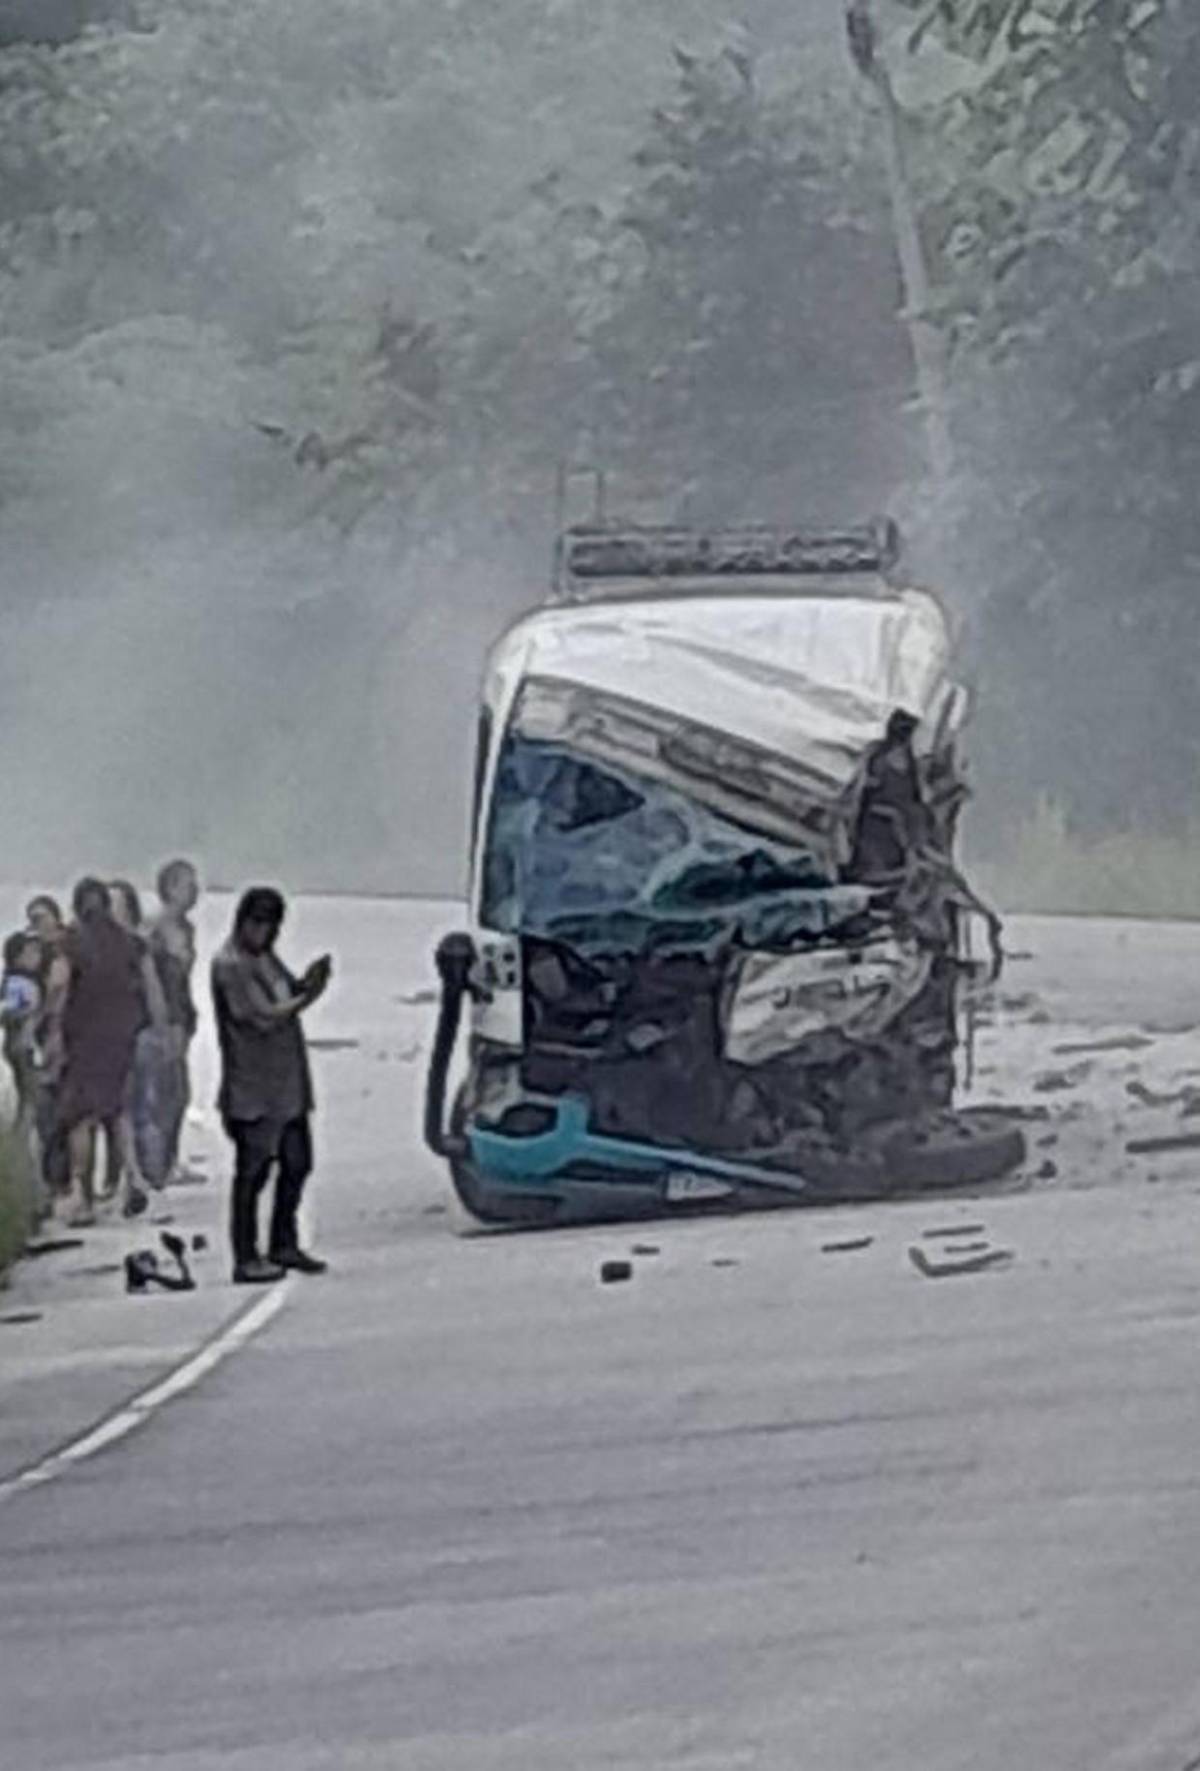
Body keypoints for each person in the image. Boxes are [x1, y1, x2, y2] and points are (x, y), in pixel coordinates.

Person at [211, 888, 332, 1283]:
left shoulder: (265, 960)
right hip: (252, 1087)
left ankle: (284, 1241)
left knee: (298, 1162)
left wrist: (306, 984)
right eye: (255, 924)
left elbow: (283, 994)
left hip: (286, 1083)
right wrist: (307, 999)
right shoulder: (230, 965)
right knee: (253, 1172)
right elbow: (260, 1016)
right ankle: (245, 1255)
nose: (261, 932)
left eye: (268, 926)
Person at [57, 879, 149, 1229]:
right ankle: (133, 1179)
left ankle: (84, 1198)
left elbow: (60, 989)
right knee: (118, 1112)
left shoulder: (73, 942)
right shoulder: (128, 942)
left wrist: (51, 1034)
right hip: (120, 1039)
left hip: (82, 1040)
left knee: (80, 1119)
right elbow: (145, 987)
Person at [108, 880, 172, 1218]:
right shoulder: (106, 946)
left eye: (117, 905)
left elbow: (153, 990)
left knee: (143, 1108)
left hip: (141, 1034)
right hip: (112, 1038)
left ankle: (148, 1178)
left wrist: (162, 1032)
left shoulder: (138, 945)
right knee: (123, 1111)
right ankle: (132, 1180)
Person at [146, 859, 201, 1186]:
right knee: (164, 1091)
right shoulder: (155, 927)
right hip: (162, 1017)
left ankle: (168, 1160)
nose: (194, 891)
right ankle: (157, 1164)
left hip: (182, 1013)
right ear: (169, 888)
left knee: (178, 1093)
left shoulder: (186, 928)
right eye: (186, 884)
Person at [25, 895, 72, 1200]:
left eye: (42, 917)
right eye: (33, 919)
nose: (37, 925)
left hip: (66, 1041)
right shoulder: (33, 955)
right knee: (45, 1117)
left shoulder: (67, 952)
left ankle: (62, 1183)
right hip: (43, 1043)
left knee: (63, 1117)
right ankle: (51, 1183)